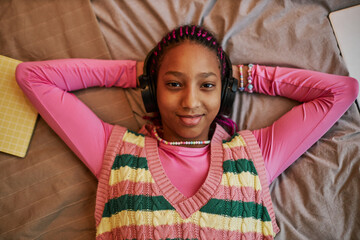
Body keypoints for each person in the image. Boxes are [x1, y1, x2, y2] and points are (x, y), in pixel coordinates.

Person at [15, 25, 358, 239]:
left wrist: (241, 78)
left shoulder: (255, 156)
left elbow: (341, 91)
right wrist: (137, 74)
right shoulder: (115, 152)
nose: (190, 101)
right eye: (173, 83)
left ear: (223, 94)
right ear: (153, 91)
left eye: (207, 85)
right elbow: (32, 77)